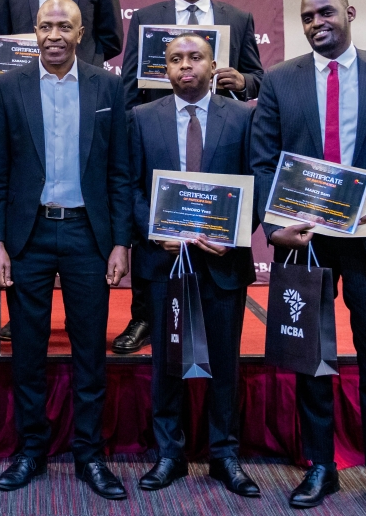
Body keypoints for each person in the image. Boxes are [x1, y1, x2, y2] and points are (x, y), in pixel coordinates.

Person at [252, 0, 366, 515]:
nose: (316, 23)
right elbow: (262, 163)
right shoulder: (280, 81)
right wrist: (271, 225)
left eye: (326, 12)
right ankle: (321, 469)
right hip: (303, 246)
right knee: (312, 361)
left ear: (349, 13)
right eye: (307, 17)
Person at [0, 0, 131, 500]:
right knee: (28, 350)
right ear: (33, 30)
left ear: (80, 31)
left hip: (88, 235)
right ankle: (32, 451)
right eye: (45, 25)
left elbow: (119, 172)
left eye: (63, 26)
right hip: (28, 235)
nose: (53, 35)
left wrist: (119, 242)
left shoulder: (108, 86)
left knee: (89, 349)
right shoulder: (9, 87)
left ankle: (89, 455)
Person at [113, 0, 266, 357]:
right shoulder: (147, 17)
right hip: (159, 138)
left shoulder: (237, 17)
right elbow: (129, 84)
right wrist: (131, 130)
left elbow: (258, 77)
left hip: (215, 137)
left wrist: (243, 82)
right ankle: (144, 317)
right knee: (157, 268)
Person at [128, 34, 260, 498]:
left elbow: (256, 181)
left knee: (224, 362)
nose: (186, 65)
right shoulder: (140, 119)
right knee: (167, 363)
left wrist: (236, 233)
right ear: (164, 68)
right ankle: (170, 454)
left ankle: (224, 455)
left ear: (212, 64)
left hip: (223, 262)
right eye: (176, 59)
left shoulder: (243, 117)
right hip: (164, 263)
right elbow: (129, 186)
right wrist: (153, 230)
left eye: (195, 57)